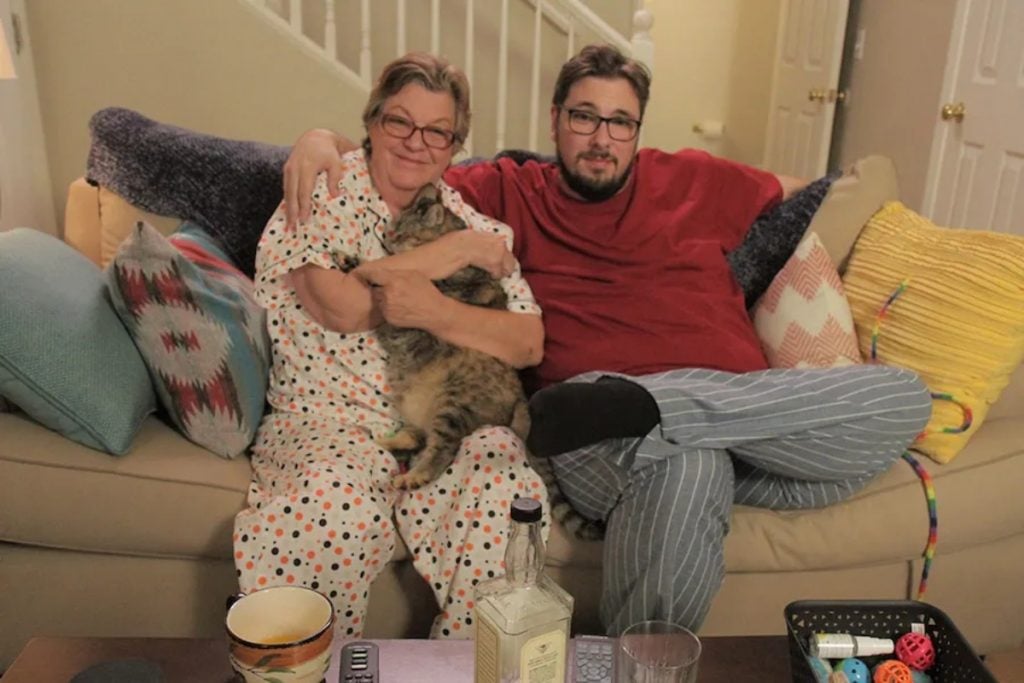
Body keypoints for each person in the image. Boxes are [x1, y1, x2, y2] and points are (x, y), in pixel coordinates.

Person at [282, 45, 932, 636]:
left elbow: (819, 190)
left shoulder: (695, 179)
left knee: (904, 397)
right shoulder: (512, 188)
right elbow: (404, 157)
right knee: (690, 464)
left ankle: (662, 406)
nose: (601, 137)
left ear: (639, 130)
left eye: (620, 122)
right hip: (594, 432)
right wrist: (319, 139)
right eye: (585, 117)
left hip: (747, 430)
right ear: (555, 118)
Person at [233, 52, 549, 640]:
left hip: (439, 430)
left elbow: (527, 341)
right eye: (399, 122)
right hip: (328, 424)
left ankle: (471, 672)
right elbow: (344, 308)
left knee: (510, 490)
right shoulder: (322, 190)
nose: (415, 143)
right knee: (333, 517)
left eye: (437, 131)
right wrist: (449, 256)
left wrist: (438, 310)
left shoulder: (473, 223)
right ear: (373, 122)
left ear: (455, 146)